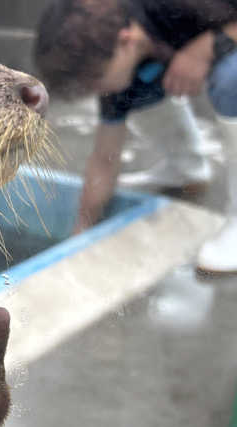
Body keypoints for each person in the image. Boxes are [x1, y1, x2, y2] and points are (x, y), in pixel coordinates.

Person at [34, 0, 237, 274]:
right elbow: (104, 159)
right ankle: (187, 168)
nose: (94, 91)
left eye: (95, 81)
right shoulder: (117, 54)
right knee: (131, 91)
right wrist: (81, 232)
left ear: (125, 40)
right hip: (185, 43)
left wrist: (206, 48)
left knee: (230, 79)